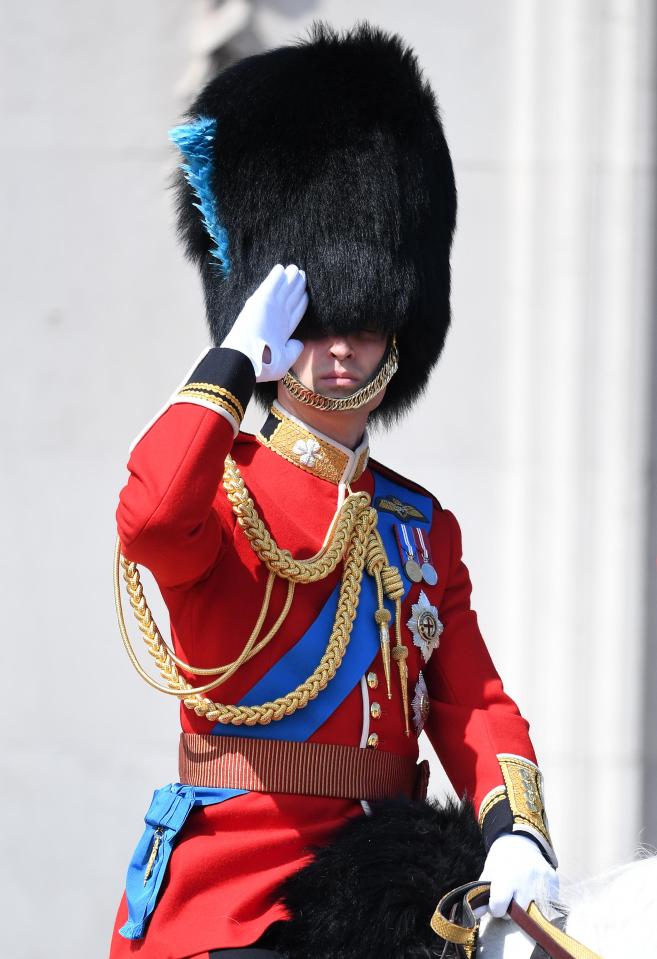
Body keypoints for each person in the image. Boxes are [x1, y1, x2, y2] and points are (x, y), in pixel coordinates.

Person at [109, 21, 557, 959]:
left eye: (364, 319)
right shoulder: (222, 489)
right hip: (239, 894)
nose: (343, 346)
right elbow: (149, 517)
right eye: (315, 322)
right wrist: (231, 358)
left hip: (397, 884)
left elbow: (468, 701)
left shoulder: (417, 527)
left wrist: (515, 825)